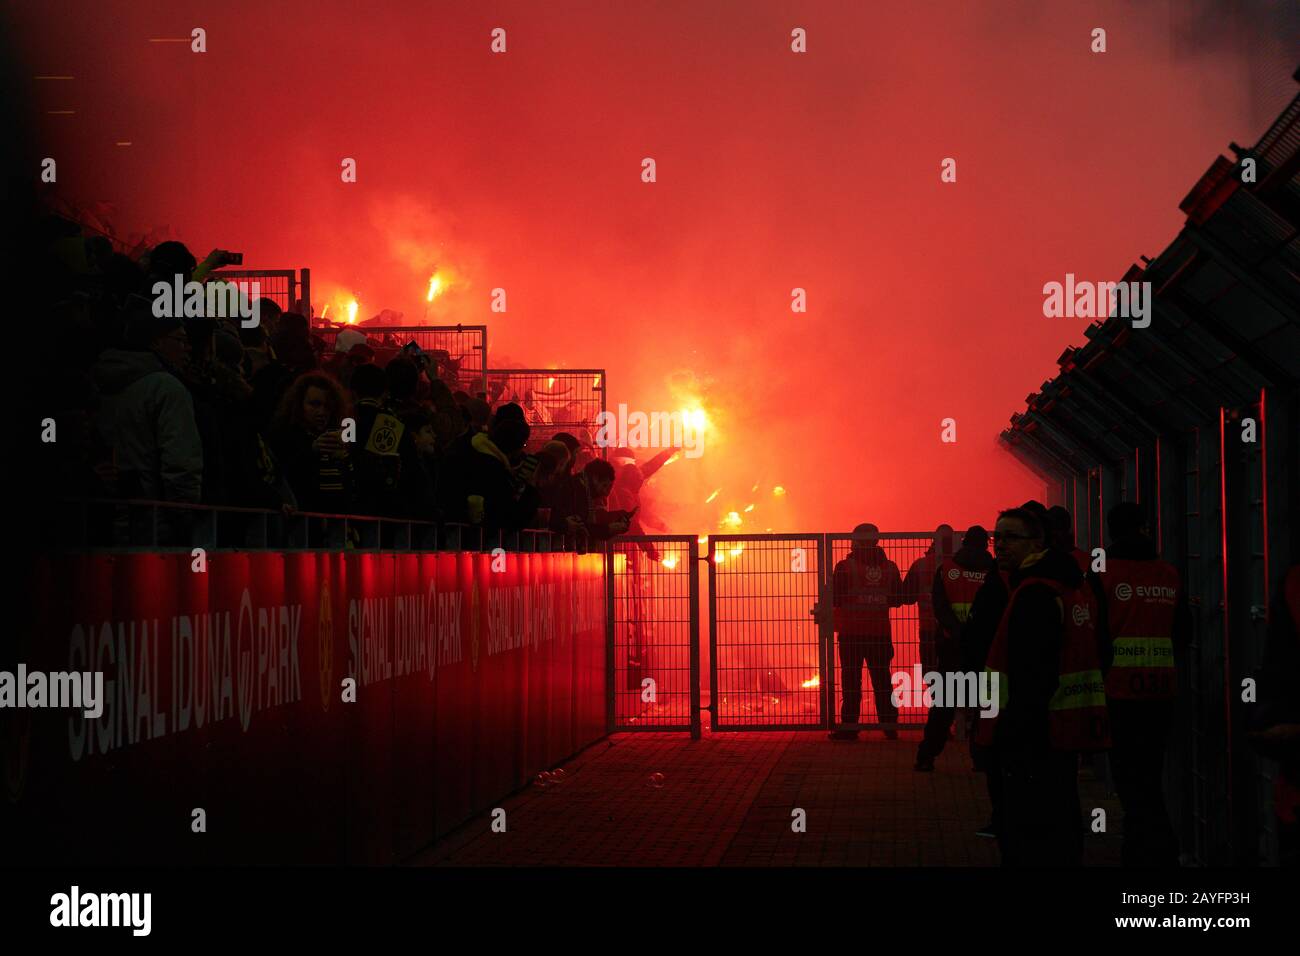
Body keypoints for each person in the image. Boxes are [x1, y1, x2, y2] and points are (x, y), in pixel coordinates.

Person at [977, 508, 1109, 866]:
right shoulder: (1069, 586)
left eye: (1010, 538)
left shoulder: (1034, 594)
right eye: (997, 537)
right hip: (1062, 729)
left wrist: (1009, 731)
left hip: (1032, 733)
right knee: (1061, 813)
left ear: (1038, 543)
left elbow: (1033, 674)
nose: (1000, 545)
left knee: (1026, 828)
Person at [1090, 501, 1189, 867]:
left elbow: (1095, 635)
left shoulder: (1102, 573)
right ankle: (1151, 849)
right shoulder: (1168, 573)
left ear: (1112, 532)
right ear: (1145, 528)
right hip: (1161, 690)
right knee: (1149, 773)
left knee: (1130, 779)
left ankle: (1151, 850)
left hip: (1118, 692)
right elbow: (1183, 631)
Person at [915, 525, 993, 772]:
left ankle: (927, 756)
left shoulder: (946, 570)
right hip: (985, 648)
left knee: (944, 706)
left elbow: (939, 606)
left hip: (951, 647)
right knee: (985, 707)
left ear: (964, 543)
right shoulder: (995, 572)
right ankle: (982, 759)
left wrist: (956, 631)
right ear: (986, 545)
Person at [830, 523, 904, 740]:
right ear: (876, 541)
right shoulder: (889, 567)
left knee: (851, 681)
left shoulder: (845, 567)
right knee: (882, 680)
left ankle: (850, 727)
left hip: (851, 633)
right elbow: (898, 599)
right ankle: (890, 725)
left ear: (855, 541)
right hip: (880, 633)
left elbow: (835, 597)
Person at [268, 371, 353, 515]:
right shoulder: (284, 436)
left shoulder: (336, 437)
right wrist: (311, 451)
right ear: (298, 404)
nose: (322, 412)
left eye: (327, 406)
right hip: (301, 525)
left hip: (336, 526)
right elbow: (281, 475)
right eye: (314, 404)